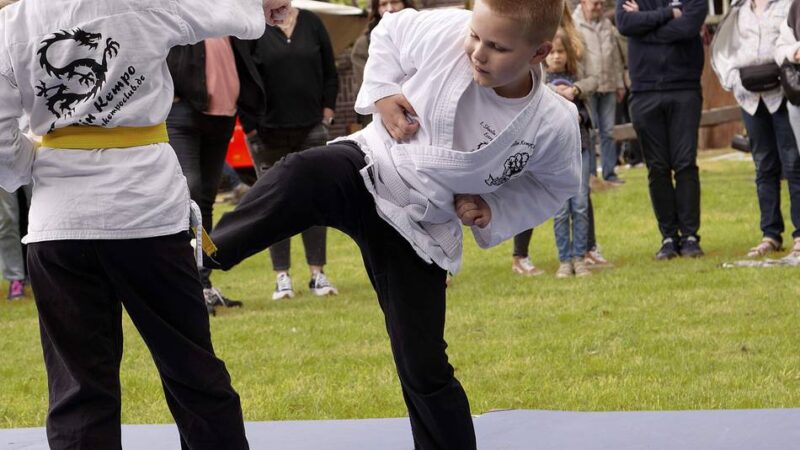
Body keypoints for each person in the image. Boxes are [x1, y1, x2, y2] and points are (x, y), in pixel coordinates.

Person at [207, 1, 581, 447]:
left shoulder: (553, 123)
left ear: (540, 53)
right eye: (475, 36)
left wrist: (494, 207)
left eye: (498, 48)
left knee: (422, 365)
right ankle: (200, 253)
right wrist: (383, 92)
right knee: (300, 174)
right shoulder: (448, 31)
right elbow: (390, 31)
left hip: (421, 227)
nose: (478, 52)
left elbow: (554, 185)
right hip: (371, 163)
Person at [0, 0, 290, 448]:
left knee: (80, 390)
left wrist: (35, 164)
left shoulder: (10, 25)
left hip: (60, 220)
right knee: (192, 370)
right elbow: (218, 10)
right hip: (145, 212)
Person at [243, 5, 340, 300]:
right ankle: (282, 276)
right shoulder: (253, 27)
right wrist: (251, 127)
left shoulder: (312, 22)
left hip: (311, 128)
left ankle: (317, 273)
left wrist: (327, 113)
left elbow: (330, 71)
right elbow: (242, 78)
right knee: (274, 203)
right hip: (267, 135)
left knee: (315, 200)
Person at [166, 31, 267, 312]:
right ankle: (184, 285)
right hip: (183, 112)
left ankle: (202, 283)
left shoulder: (227, 14)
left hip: (222, 115)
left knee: (205, 201)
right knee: (191, 193)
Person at [616, 0, 707, 260]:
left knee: (685, 163)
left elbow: (688, 28)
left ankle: (689, 236)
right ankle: (668, 237)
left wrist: (645, 27)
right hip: (644, 91)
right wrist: (668, 13)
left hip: (684, 88)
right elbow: (625, 24)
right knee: (657, 167)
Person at [712, 0, 799, 258]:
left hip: (780, 94)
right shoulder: (738, 10)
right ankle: (770, 234)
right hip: (750, 99)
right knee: (763, 166)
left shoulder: (786, 6)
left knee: (793, 164)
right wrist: (733, 81)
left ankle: (799, 234)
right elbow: (723, 48)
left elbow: (786, 43)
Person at [546, 29, 595, 278]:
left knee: (581, 204)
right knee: (560, 209)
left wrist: (576, 106)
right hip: (554, 154)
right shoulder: (539, 84)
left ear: (568, 54)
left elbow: (587, 109)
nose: (556, 56)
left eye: (561, 51)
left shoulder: (577, 82)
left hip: (580, 148)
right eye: (552, 52)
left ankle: (580, 258)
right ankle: (564, 260)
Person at [573, 0, 627, 184]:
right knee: (589, 133)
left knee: (608, 132)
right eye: (595, 3)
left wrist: (620, 84)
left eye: (601, 4)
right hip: (587, 88)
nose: (599, 7)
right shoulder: (574, 24)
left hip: (609, 85)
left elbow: (616, 58)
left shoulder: (608, 25)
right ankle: (591, 176)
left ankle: (610, 173)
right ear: (583, 2)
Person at [350, 0, 416, 126]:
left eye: (395, 2)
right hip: (382, 118)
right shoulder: (363, 45)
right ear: (377, 9)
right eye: (384, 4)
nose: (390, 8)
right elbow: (369, 86)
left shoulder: (422, 33)